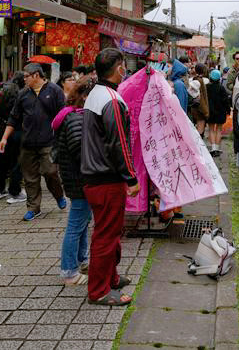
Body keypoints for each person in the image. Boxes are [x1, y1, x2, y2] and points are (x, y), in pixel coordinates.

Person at [81, 48, 139, 305]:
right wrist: (131, 178)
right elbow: (119, 144)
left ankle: (110, 277)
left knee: (109, 232)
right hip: (106, 178)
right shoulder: (112, 101)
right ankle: (99, 290)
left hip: (94, 176)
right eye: (123, 66)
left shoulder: (95, 94)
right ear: (119, 69)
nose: (125, 70)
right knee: (106, 235)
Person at [0, 63, 67, 221]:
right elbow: (14, 118)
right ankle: (33, 208)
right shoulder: (23, 94)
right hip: (28, 143)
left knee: (50, 172)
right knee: (30, 178)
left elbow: (63, 115)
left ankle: (58, 196)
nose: (24, 79)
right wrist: (4, 138)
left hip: (49, 141)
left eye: (26, 76)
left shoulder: (54, 91)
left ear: (36, 75)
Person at [52, 75, 95, 285]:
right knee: (76, 224)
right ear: (86, 97)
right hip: (80, 179)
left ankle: (82, 259)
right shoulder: (77, 118)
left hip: (75, 178)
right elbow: (80, 151)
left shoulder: (72, 114)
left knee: (83, 221)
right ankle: (69, 271)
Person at [0, 72, 26, 202]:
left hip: (2, 130)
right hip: (16, 130)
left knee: (2, 160)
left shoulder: (2, 92)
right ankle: (15, 192)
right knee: (16, 162)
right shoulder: (21, 93)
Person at [206, 68, 229, 156]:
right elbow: (225, 101)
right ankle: (217, 148)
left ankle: (213, 148)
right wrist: (228, 110)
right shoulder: (221, 88)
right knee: (219, 130)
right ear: (219, 78)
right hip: (220, 112)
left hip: (210, 111)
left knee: (211, 129)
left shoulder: (207, 87)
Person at [189, 64, 210, 136]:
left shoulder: (193, 79)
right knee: (200, 127)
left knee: (198, 126)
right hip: (200, 107)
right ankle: (198, 145)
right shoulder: (202, 81)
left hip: (195, 106)